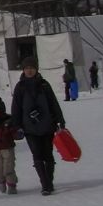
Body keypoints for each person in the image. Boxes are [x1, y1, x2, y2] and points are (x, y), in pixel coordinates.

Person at [9, 57, 65, 195]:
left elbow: (53, 103)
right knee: (37, 155)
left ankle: (49, 180)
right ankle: (45, 184)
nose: (29, 70)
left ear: (36, 69)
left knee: (48, 155)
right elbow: (16, 107)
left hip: (47, 125)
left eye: (32, 68)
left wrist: (60, 119)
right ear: (23, 70)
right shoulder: (20, 87)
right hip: (30, 128)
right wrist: (16, 125)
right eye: (27, 68)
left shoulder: (44, 85)